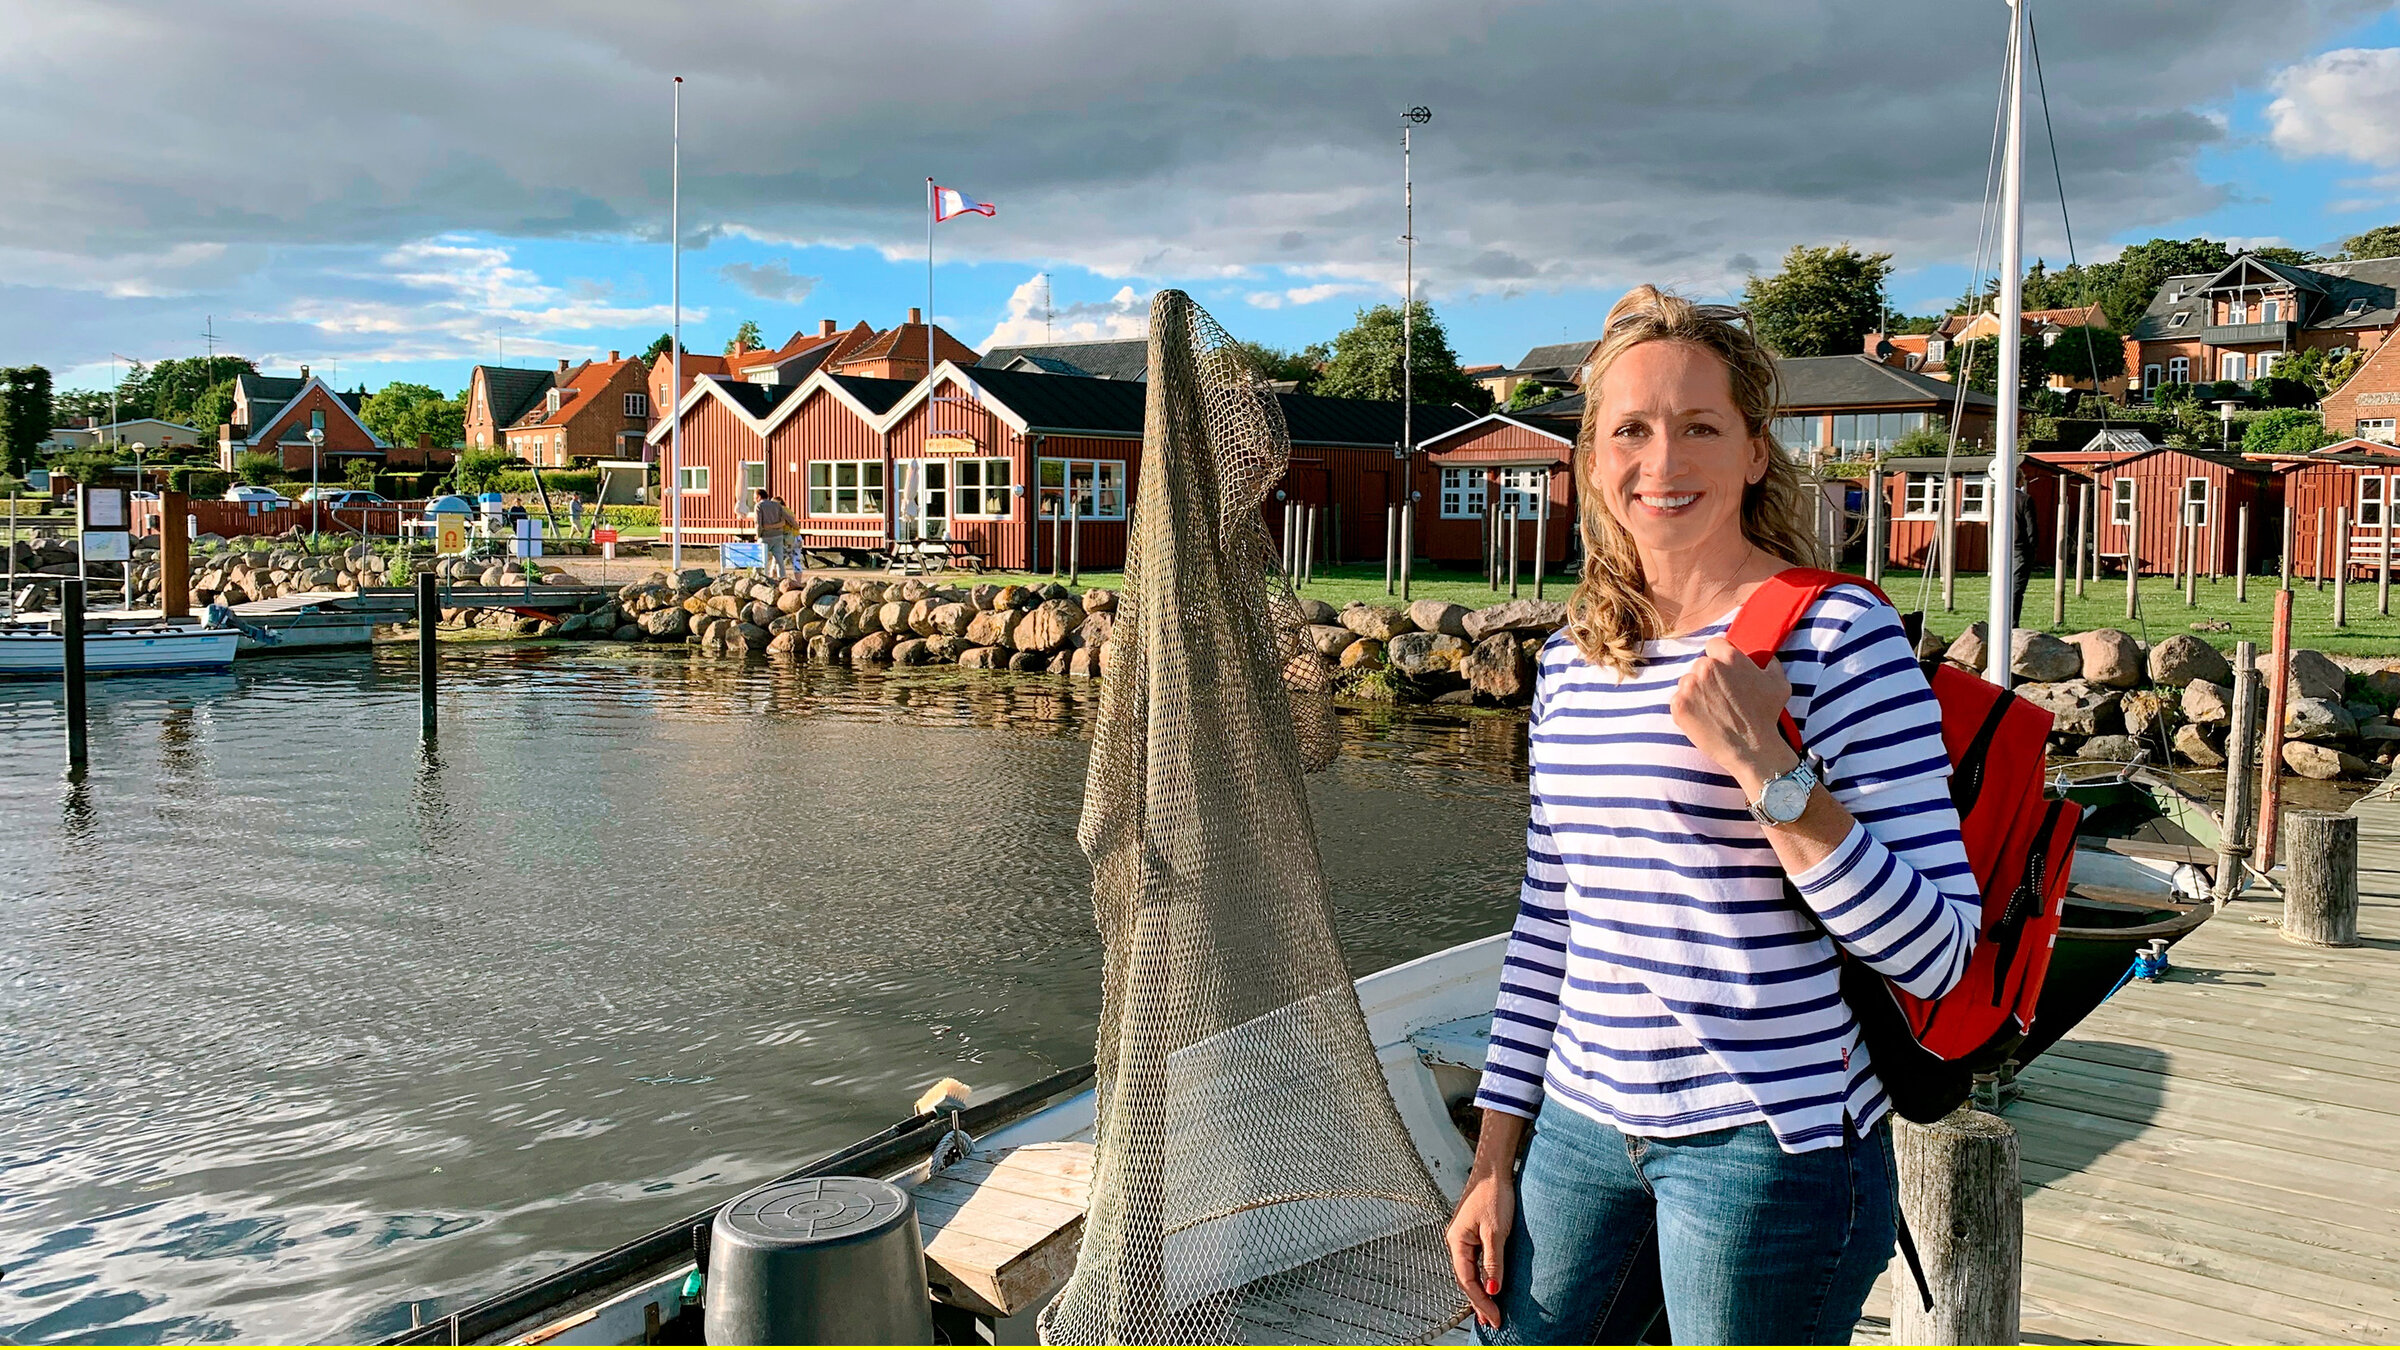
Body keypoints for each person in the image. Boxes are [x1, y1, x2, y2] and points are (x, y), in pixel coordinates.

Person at [1445, 287, 1980, 1346]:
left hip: (1768, 1147)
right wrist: (1494, 1161)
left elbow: (1938, 951)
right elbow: (1551, 922)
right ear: (1593, 459)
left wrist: (1766, 767)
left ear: (1751, 452)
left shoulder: (1836, 636)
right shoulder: (1573, 659)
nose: (1663, 461)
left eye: (1699, 427)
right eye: (1631, 431)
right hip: (1579, 1128)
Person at [753, 491, 791, 578]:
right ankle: (782, 578)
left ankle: (756, 578)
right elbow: (786, 517)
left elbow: (758, 523)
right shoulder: (777, 505)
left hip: (765, 536)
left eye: (754, 497)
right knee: (779, 561)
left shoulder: (759, 506)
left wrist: (758, 535)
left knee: (759, 559)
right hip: (778, 536)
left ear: (759, 497)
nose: (754, 500)